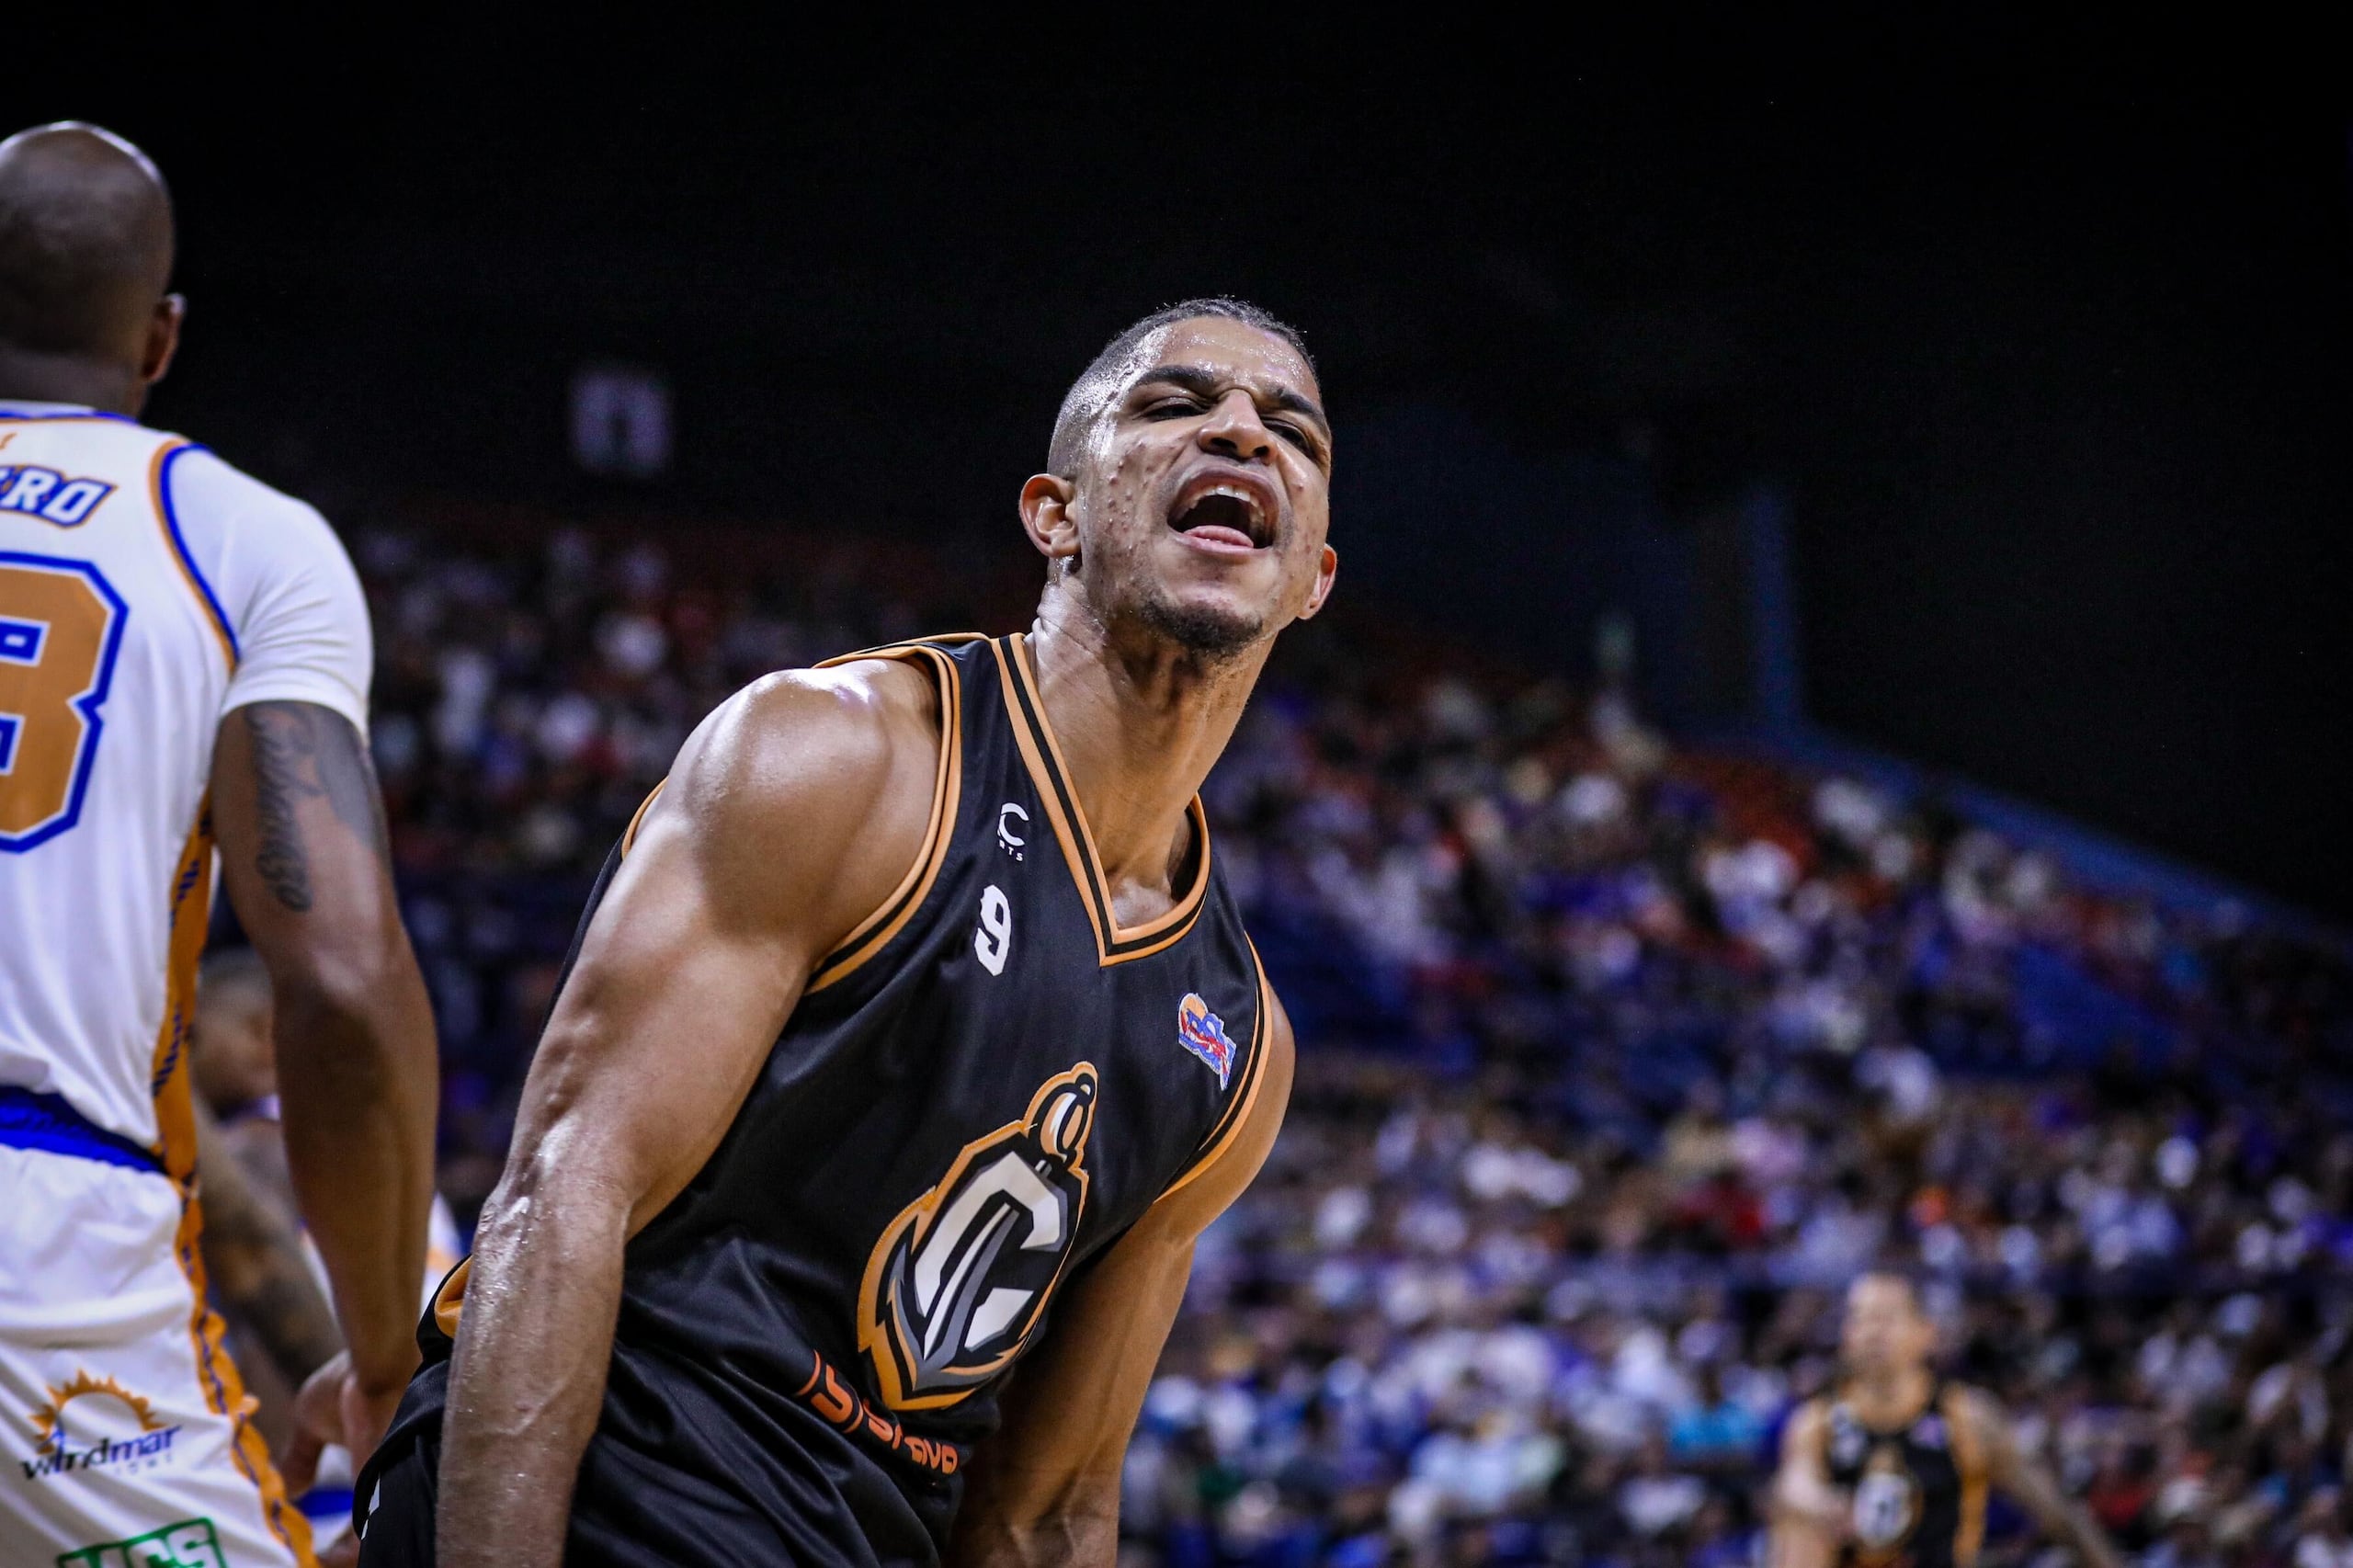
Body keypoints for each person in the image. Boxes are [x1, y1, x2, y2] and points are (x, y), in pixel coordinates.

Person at [353, 297, 1337, 1566]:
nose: (1243, 433)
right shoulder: (838, 757)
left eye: (1291, 432)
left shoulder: (1239, 1048)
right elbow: (562, 1197)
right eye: (1174, 405)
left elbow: (1046, 1512)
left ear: (1312, 576)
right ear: (1057, 515)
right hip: (622, 1495)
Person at [0, 122, 438, 1567]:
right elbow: (342, 981)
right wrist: (386, 1353)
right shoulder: (241, 538)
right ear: (162, 336)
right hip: (41, 1225)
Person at [192, 949, 464, 1552]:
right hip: (435, 1440)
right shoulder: (383, 1147)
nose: (181, 1060)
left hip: (332, 1463)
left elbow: (263, 1289)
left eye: (193, 1037)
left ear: (261, 1038)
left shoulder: (253, 1149)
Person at [1771, 1272, 2122, 1568]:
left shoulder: (1967, 1417)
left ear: (1926, 1333)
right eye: (1860, 1318)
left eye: (1887, 1317)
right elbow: (1794, 1484)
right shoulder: (1816, 1421)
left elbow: (2057, 1514)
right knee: (1792, 1526)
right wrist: (1817, 1502)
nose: (1872, 1331)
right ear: (1845, 1336)